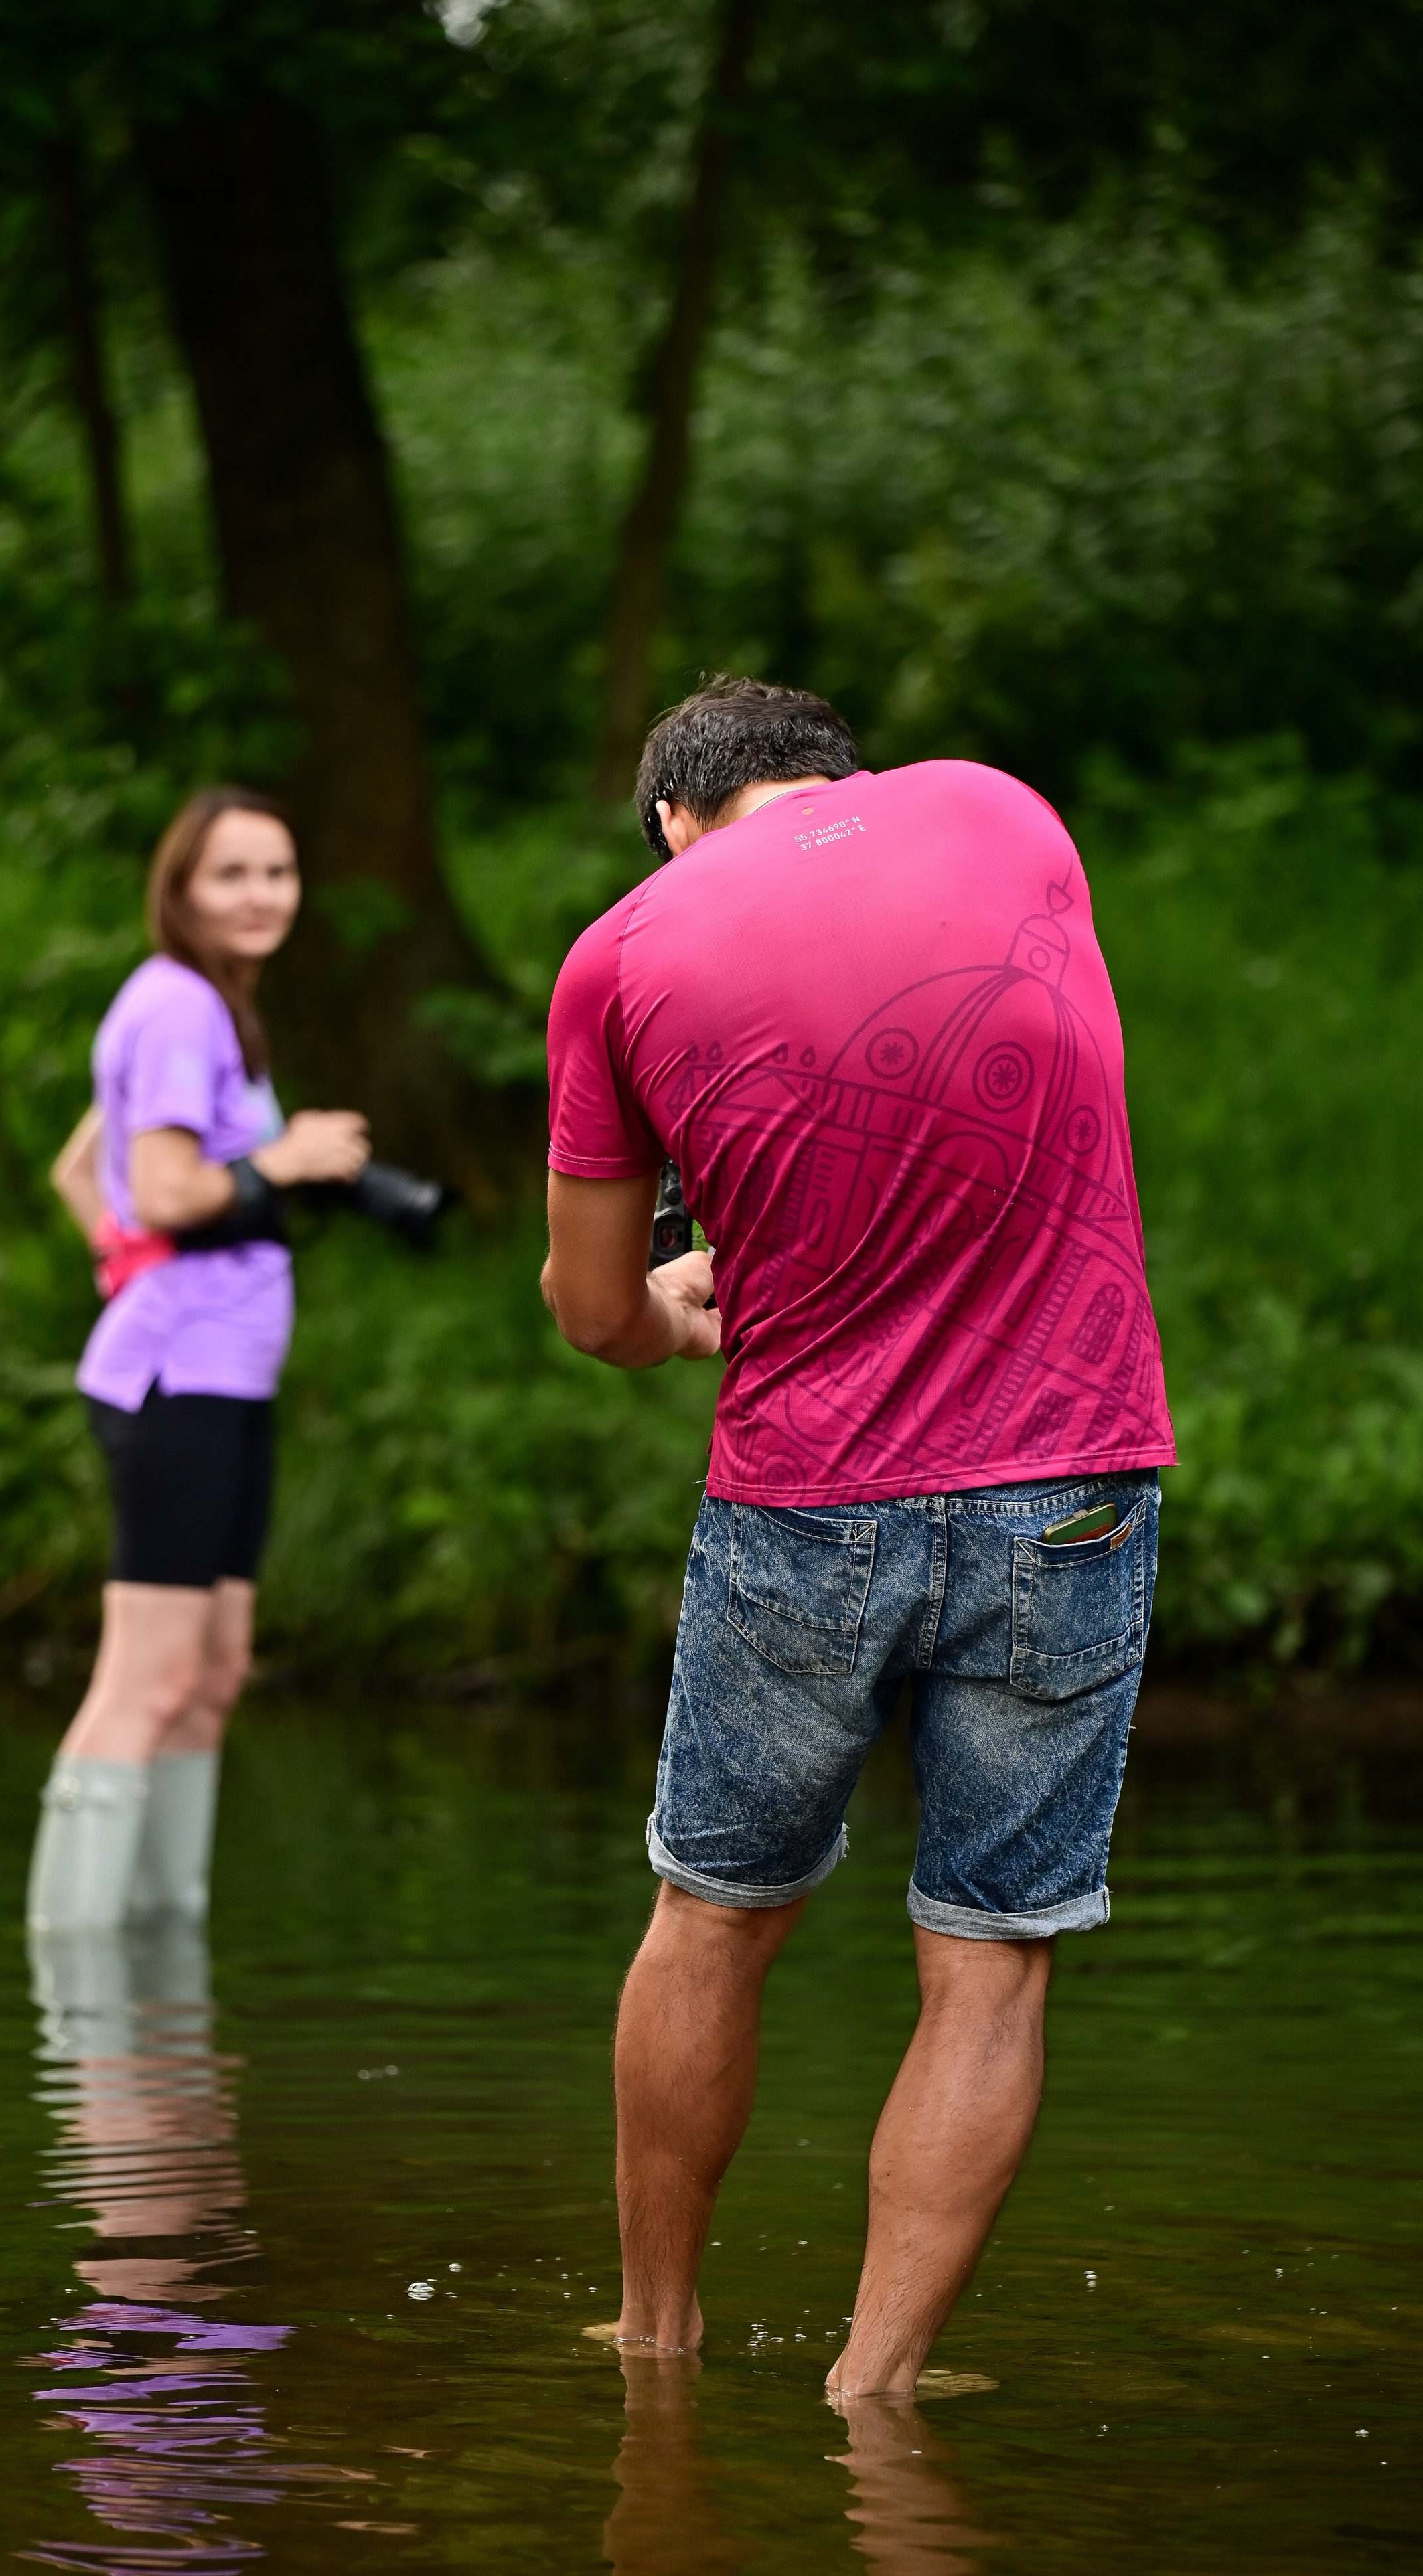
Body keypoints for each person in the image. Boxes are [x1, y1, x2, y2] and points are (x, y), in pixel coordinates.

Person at [542, 675, 1173, 2397]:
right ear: (842, 770)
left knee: (714, 1913)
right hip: (1075, 1479)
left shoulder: (623, 946)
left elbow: (595, 1313)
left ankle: (655, 2347)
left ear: (672, 818)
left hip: (805, 1497)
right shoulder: (997, 806)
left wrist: (686, 1310)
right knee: (986, 1961)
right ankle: (874, 2391)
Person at [28, 788, 370, 1933]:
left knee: (214, 1674)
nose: (263, 894)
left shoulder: (201, 1004)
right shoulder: (180, 1005)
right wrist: (294, 1155)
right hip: (175, 1376)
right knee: (148, 1680)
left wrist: (119, 1253)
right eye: (232, 874)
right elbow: (167, 1184)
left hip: (225, 1378)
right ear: (179, 891)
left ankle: (163, 1953)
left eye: (278, 871)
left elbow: (86, 1166)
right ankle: (76, 1984)